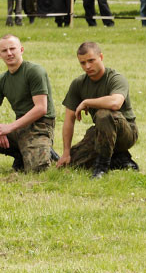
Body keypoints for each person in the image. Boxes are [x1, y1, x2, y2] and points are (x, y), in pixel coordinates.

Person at [0, 35, 57, 173]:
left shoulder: (34, 71)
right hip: (19, 127)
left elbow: (41, 108)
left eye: (12, 49)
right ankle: (21, 152)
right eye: (4, 50)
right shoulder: (0, 80)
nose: (9, 53)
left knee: (37, 170)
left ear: (21, 50)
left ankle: (46, 151)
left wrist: (9, 127)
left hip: (40, 126)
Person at [57, 42, 138, 179]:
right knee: (72, 162)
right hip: (101, 133)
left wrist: (87, 102)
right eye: (82, 63)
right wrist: (66, 153)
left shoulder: (116, 78)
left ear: (101, 57)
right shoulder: (78, 84)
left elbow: (115, 103)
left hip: (125, 133)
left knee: (104, 114)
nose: (87, 66)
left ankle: (102, 167)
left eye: (91, 61)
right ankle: (120, 159)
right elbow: (69, 120)